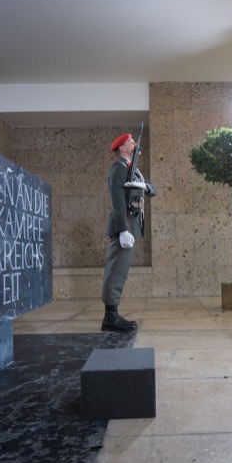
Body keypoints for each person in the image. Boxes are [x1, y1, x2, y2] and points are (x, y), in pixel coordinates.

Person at [101, 132, 157, 332]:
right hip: (123, 228)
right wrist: (124, 230)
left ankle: (112, 315)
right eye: (130, 142)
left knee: (121, 271)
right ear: (122, 149)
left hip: (131, 228)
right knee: (115, 271)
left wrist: (144, 186)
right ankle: (110, 317)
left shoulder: (133, 169)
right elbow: (118, 202)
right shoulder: (118, 168)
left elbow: (153, 190)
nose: (134, 144)